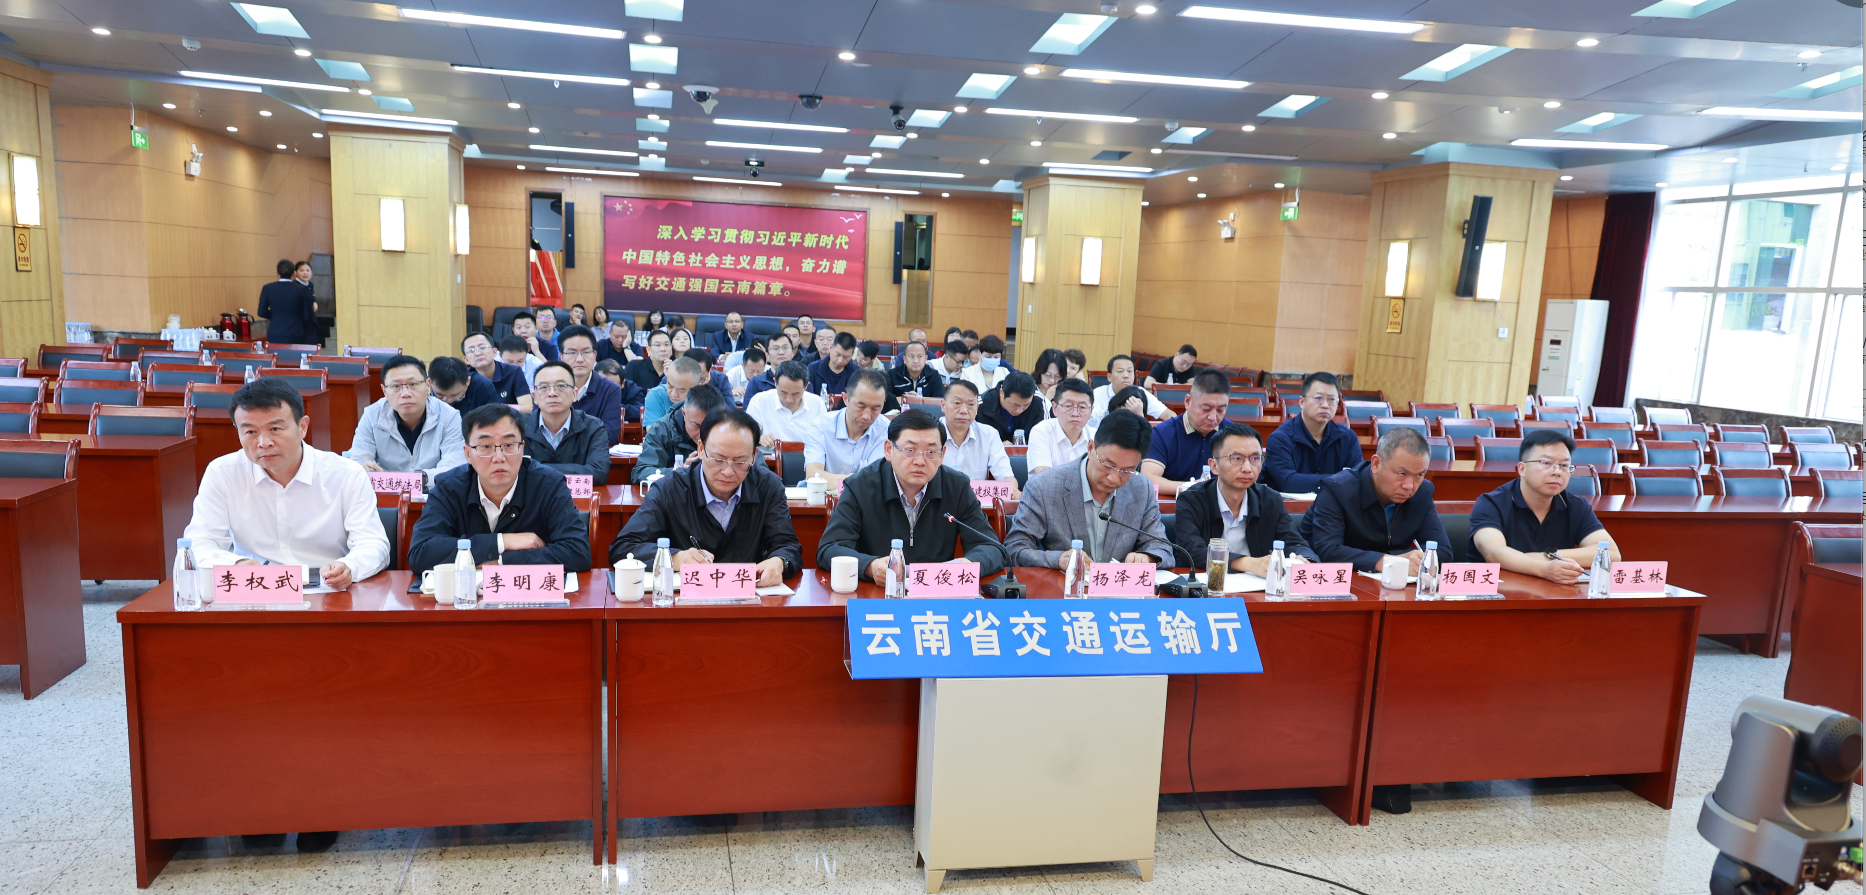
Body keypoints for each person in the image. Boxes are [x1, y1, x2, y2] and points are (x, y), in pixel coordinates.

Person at [186, 378, 389, 593]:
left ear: (302, 427)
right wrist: (236, 564)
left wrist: (349, 567)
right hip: (255, 589)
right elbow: (199, 542)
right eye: (250, 432)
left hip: (328, 589)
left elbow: (372, 543)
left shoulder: (346, 474)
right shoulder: (222, 473)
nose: (264, 442)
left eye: (275, 428)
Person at [611, 408, 801, 585]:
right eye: (718, 460)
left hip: (749, 597)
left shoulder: (768, 486)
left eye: (740, 462)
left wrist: (779, 562)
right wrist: (676, 558)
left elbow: (787, 545)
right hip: (687, 601)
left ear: (754, 456)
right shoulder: (670, 488)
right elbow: (623, 547)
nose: (728, 471)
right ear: (701, 449)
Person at [816, 409, 1005, 582]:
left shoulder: (957, 486)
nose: (920, 461)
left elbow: (992, 548)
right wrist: (870, 566)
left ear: (942, 455)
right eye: (910, 450)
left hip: (937, 593)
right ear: (889, 450)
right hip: (878, 593)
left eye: (931, 452)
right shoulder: (860, 486)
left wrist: (969, 564)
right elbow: (830, 549)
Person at [407, 404, 592, 575]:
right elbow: (420, 554)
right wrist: (502, 541)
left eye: (509, 445)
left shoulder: (549, 485)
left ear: (522, 448)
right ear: (468, 454)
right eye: (486, 446)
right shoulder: (449, 487)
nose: (498, 457)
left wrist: (501, 561)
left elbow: (578, 552)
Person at [1004, 409, 1173, 569]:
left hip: (1120, 587)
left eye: (1127, 470)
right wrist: (1057, 559)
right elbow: (1015, 549)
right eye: (1108, 465)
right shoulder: (1044, 486)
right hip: (1064, 587)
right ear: (1091, 448)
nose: (1114, 478)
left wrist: (1147, 558)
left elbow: (1162, 548)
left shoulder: (1141, 488)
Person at [1469, 428, 1620, 582]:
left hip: (1554, 591)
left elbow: (1611, 553)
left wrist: (1546, 556)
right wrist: (1545, 569)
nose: (1557, 472)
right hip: (1498, 590)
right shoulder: (1491, 503)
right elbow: (1493, 552)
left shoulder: (1576, 505)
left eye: (1564, 465)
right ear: (1522, 469)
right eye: (1546, 463)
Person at [1298, 427, 1454, 574]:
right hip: (1330, 580)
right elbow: (1328, 551)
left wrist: (1399, 559)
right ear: (1376, 464)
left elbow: (1443, 551)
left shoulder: (1423, 491)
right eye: (1401, 474)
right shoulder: (1338, 489)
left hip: (1388, 582)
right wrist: (1389, 561)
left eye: (1419, 475)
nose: (1409, 485)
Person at [1173, 424, 1317, 576]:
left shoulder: (1269, 499)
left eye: (1255, 459)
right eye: (1237, 459)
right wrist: (1248, 563)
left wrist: (1304, 559)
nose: (1247, 468)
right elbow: (1191, 551)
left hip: (1257, 585)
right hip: (1208, 584)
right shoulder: (1192, 499)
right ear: (1214, 466)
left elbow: (1294, 542)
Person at [345, 355, 466, 482]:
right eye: (396, 386)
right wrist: (365, 471)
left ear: (428, 385)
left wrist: (416, 479)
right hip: (387, 492)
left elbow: (454, 468)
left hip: (433, 491)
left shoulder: (449, 416)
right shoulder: (372, 415)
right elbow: (359, 463)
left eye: (413, 384)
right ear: (384, 391)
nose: (405, 393)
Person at [1263, 371, 1359, 494]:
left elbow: (1357, 478)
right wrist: (1339, 480)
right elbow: (1288, 482)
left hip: (1335, 504)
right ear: (1302, 402)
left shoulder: (1348, 438)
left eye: (1331, 399)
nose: (1325, 405)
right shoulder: (1280, 438)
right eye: (1318, 398)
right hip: (1289, 505)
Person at [1140, 370, 1230, 497]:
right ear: (1188, 401)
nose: (1213, 417)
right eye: (1206, 409)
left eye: (1220, 410)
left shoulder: (1233, 435)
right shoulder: (1163, 433)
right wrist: (1191, 487)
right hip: (1176, 504)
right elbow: (1148, 478)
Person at [522, 360, 612, 485]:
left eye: (560, 386)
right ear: (535, 397)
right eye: (544, 387)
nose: (552, 393)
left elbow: (599, 472)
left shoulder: (593, 427)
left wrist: (534, 469)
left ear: (574, 394)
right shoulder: (518, 426)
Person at [802, 369, 889, 486]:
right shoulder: (820, 427)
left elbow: (876, 479)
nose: (867, 416)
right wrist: (858, 481)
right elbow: (814, 475)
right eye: (860, 406)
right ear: (845, 399)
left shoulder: (886, 429)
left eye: (875, 408)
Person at [634, 384, 728, 483]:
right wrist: (680, 472)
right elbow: (641, 472)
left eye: (710, 426)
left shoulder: (732, 432)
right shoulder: (662, 430)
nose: (702, 434)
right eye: (696, 425)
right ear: (684, 413)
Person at [559, 324, 636, 444]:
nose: (579, 359)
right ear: (561, 356)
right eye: (572, 352)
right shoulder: (548, 386)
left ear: (595, 355)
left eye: (585, 352)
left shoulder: (610, 389)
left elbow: (609, 435)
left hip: (592, 454)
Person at [939, 379, 1018, 494]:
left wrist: (1011, 489)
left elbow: (1006, 477)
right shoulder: (929, 434)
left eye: (971, 405)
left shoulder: (989, 435)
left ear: (977, 408)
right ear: (943, 405)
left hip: (976, 504)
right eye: (957, 403)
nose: (964, 411)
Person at [746, 360, 825, 449]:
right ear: (775, 382)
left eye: (796, 394)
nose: (789, 399)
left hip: (807, 456)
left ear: (806, 386)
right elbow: (747, 436)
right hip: (770, 455)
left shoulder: (817, 404)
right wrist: (759, 438)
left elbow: (824, 439)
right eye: (783, 392)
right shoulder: (759, 401)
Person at [1027, 378, 1094, 474]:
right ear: (1054, 408)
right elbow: (1044, 477)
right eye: (1068, 406)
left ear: (1091, 410)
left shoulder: (1097, 437)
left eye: (1082, 407)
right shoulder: (1041, 432)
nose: (1075, 413)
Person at [1090, 354, 1173, 425]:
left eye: (1129, 371)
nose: (1126, 375)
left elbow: (1169, 415)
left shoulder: (1140, 393)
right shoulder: (1097, 394)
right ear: (1109, 377)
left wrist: (1140, 415)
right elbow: (1091, 423)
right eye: (1120, 371)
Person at [462, 332, 531, 412]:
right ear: (466, 360)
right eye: (471, 350)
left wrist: (495, 409)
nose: (478, 353)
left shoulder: (513, 371)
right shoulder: (464, 379)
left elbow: (527, 408)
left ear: (494, 352)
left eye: (482, 347)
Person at [256, 259, 318, 346]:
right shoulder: (301, 289)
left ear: (277, 272)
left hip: (275, 332)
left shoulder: (267, 288)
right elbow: (306, 315)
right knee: (294, 354)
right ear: (294, 273)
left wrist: (276, 315)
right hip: (296, 332)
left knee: (276, 354)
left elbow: (261, 312)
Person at [976, 372, 1046, 445]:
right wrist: (996, 446)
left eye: (1026, 405)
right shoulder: (980, 405)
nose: (1020, 410)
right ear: (1002, 392)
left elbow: (1043, 438)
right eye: (1015, 405)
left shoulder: (1038, 401)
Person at [644, 357, 706, 425]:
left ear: (697, 387)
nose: (673, 394)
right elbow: (653, 430)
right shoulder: (656, 395)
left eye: (681, 389)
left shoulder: (707, 401)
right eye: (670, 385)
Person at [428, 356, 501, 414]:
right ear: (429, 382)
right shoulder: (423, 389)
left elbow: (492, 420)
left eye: (454, 395)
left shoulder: (483, 387)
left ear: (467, 381)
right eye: (440, 395)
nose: (447, 401)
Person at [742, 334, 794, 405]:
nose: (781, 352)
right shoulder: (756, 382)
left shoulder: (802, 381)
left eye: (785, 347)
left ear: (793, 353)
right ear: (767, 355)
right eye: (775, 348)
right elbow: (748, 410)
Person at [806, 331, 858, 397]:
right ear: (831, 348)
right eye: (837, 354)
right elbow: (808, 397)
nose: (840, 361)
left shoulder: (857, 373)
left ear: (852, 355)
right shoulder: (813, 368)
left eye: (846, 357)